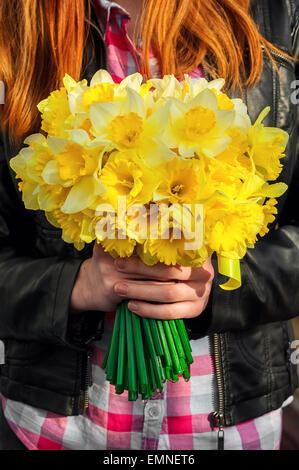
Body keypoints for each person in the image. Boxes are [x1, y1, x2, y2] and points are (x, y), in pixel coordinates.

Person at [0, 0, 298, 451]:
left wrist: (221, 285)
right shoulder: (16, 21)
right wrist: (73, 287)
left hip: (231, 432)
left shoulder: (276, 11)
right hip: (53, 430)